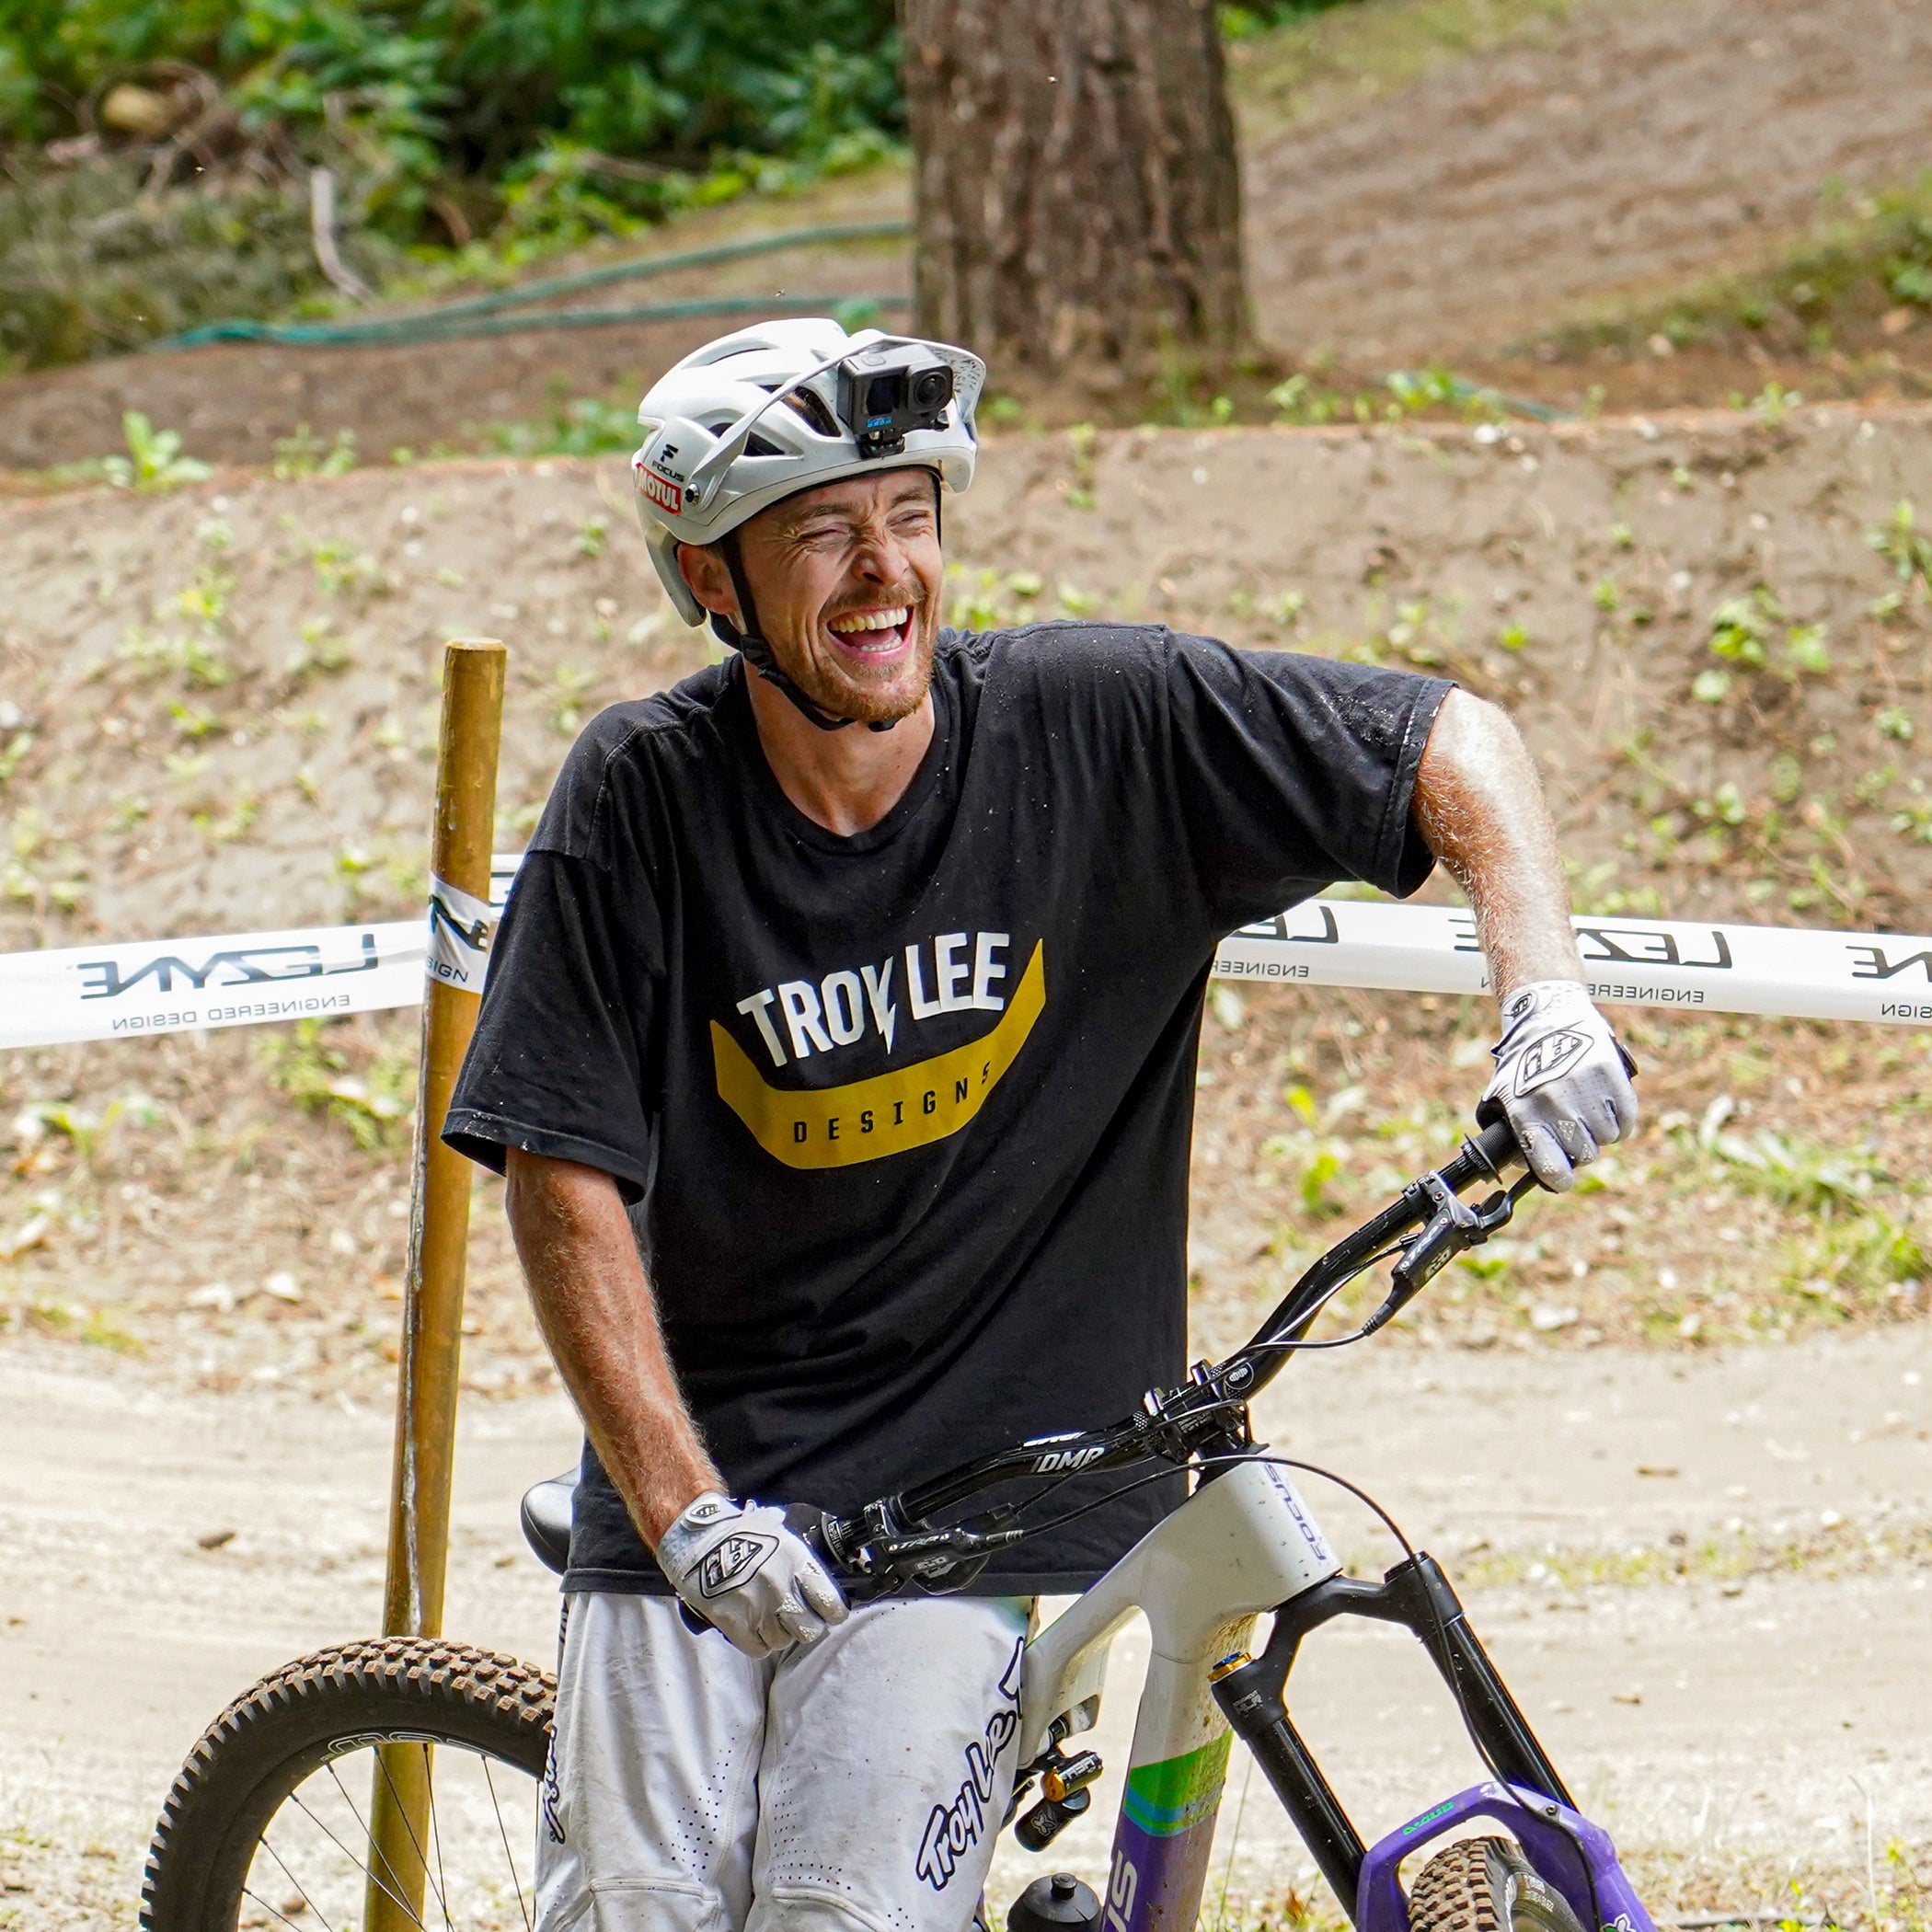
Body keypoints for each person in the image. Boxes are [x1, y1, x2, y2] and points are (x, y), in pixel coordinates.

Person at [443, 316, 1639, 1932]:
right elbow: (560, 1175)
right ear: (713, 582)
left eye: (911, 516)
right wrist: (684, 1515)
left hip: (982, 1495)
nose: (886, 572)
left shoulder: (1102, 724)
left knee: (845, 1915)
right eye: (822, 532)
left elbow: (1450, 741)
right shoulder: (640, 796)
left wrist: (1540, 992)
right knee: (634, 1916)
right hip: (711, 1494)